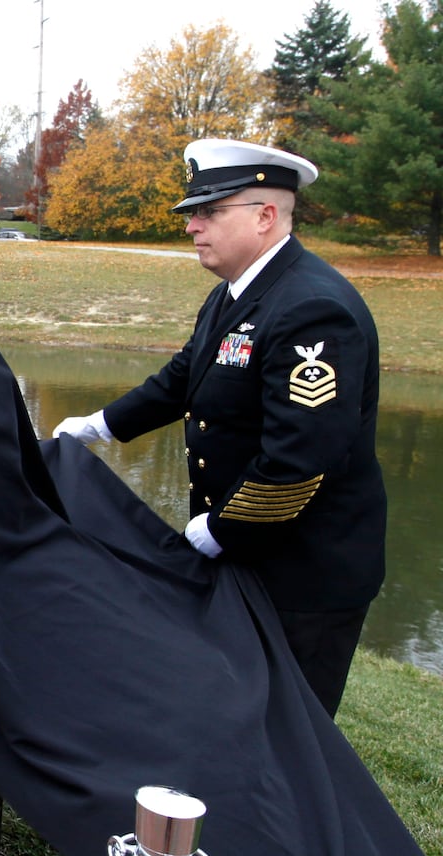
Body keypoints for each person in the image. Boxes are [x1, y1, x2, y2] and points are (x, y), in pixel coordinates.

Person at [52, 139, 384, 719]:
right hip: (250, 550)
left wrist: (222, 530)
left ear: (265, 216)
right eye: (192, 214)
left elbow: (299, 460)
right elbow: (185, 378)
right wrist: (99, 426)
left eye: (210, 213)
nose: (193, 228)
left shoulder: (312, 308)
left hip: (305, 570)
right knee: (235, 713)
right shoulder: (236, 294)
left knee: (288, 729)